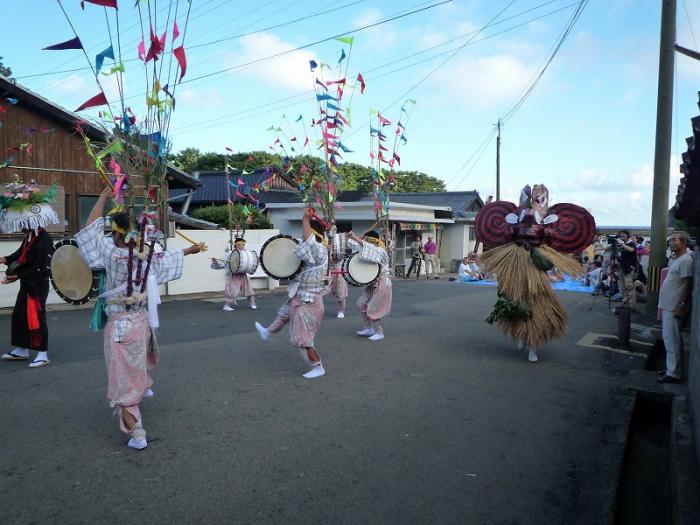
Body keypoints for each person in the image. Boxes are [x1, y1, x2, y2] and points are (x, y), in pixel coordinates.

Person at [75, 188, 206, 449]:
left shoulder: (112, 255)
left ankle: (138, 434)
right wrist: (191, 249)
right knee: (135, 368)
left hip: (121, 327)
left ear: (115, 233)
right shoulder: (148, 256)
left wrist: (103, 197)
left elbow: (89, 229)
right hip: (141, 322)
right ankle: (142, 386)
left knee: (123, 382)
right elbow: (171, 256)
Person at [255, 208, 328, 379]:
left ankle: (318, 367)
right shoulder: (316, 249)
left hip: (308, 303)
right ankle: (268, 332)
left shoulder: (319, 249)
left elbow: (309, 240)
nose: (302, 236)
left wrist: (305, 219)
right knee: (284, 313)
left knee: (302, 340)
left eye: (305, 232)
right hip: (302, 296)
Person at [0, 179, 59, 368]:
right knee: (19, 315)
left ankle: (42, 352)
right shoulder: (30, 236)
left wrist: (17, 276)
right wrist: (4, 259)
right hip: (28, 283)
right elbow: (20, 254)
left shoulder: (44, 239)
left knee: (36, 317)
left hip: (37, 284)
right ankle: (22, 348)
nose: (22, 226)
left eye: (24, 222)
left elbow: (39, 267)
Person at [657, 231, 694, 384]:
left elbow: (687, 284)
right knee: (668, 338)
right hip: (668, 305)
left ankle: (673, 373)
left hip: (674, 306)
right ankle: (670, 367)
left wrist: (681, 304)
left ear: (683, 242)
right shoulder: (678, 259)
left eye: (674, 240)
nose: (670, 243)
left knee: (672, 339)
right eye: (670, 241)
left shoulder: (686, 260)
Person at [347, 229, 392, 341]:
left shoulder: (381, 251)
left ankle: (379, 332)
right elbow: (354, 244)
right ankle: (369, 328)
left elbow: (369, 248)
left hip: (382, 282)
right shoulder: (368, 248)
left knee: (373, 307)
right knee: (361, 304)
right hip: (372, 283)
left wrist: (357, 237)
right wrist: (357, 236)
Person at [210, 237, 257, 311]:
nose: (243, 246)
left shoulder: (245, 253)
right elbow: (222, 263)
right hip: (234, 275)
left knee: (249, 289)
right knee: (232, 291)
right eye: (241, 244)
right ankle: (226, 306)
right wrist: (215, 262)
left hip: (243, 274)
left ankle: (253, 303)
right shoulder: (230, 253)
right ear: (236, 245)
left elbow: (249, 262)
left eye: (244, 244)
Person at [616, 230, 638, 310]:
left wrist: (621, 244)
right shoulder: (623, 245)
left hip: (629, 268)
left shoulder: (632, 243)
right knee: (622, 286)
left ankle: (631, 306)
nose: (622, 237)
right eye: (621, 236)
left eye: (623, 236)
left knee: (629, 286)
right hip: (622, 267)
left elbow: (631, 250)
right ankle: (625, 303)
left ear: (628, 236)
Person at [329, 232, 348, 318]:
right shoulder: (326, 245)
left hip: (340, 271)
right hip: (329, 271)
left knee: (341, 292)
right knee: (322, 290)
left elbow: (339, 257)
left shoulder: (341, 246)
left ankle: (341, 311)